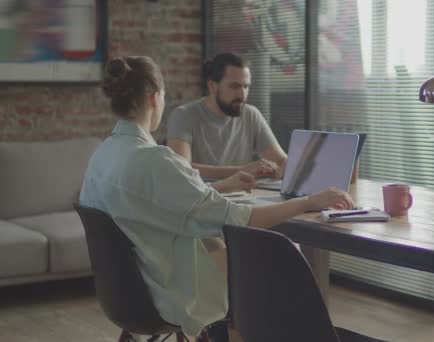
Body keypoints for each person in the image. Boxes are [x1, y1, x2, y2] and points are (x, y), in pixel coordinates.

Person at [79, 56, 353, 340]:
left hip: (126, 293)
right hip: (168, 293)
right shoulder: (155, 160)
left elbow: (170, 199)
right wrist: (309, 202)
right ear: (154, 97)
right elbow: (243, 220)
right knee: (267, 267)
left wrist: (223, 185)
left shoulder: (103, 155)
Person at [167, 52, 286, 181]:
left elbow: (280, 161)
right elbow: (181, 169)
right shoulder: (183, 116)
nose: (242, 95)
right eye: (235, 86)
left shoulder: (251, 114)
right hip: (202, 198)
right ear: (212, 86)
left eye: (246, 86)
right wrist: (244, 171)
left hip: (245, 196)